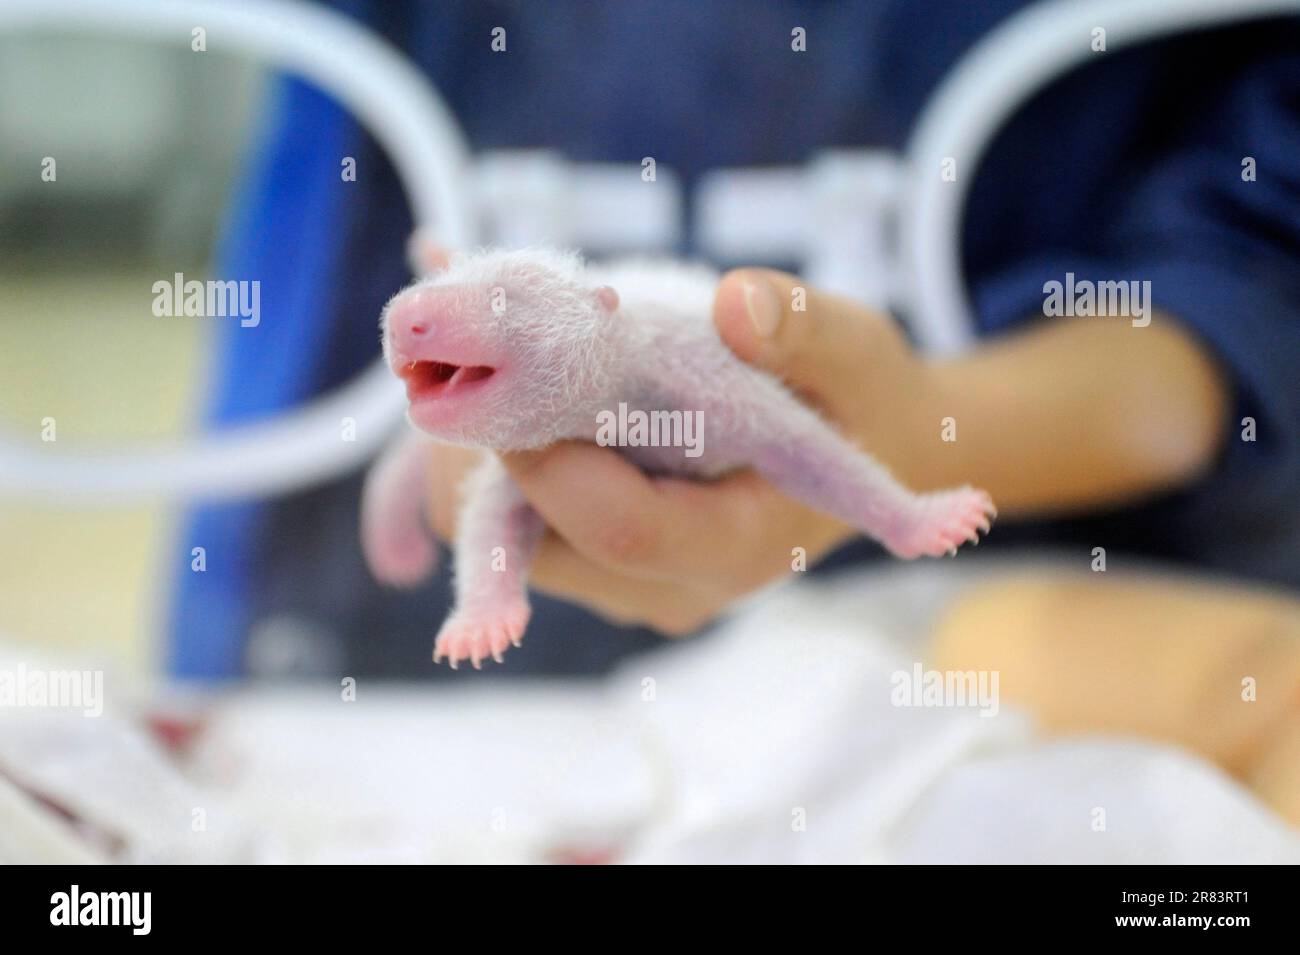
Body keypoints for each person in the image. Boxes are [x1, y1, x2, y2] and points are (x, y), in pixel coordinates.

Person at [171, 1, 1300, 681]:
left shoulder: (693, 369)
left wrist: (910, 459)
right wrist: (478, 591)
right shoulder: (489, 370)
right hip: (350, 653)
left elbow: (1256, 264)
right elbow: (463, 476)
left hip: (1044, 598)